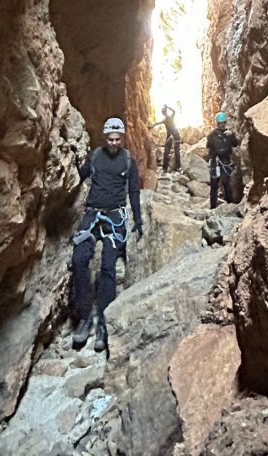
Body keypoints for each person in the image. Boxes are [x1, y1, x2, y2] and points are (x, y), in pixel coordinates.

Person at [69, 117, 143, 352]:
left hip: (115, 218)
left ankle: (103, 321)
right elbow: (78, 177)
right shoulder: (95, 156)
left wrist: (138, 219)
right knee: (79, 260)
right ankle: (84, 317)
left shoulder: (128, 161)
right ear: (104, 138)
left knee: (108, 267)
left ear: (123, 138)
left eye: (117, 139)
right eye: (110, 139)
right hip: (92, 215)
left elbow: (133, 192)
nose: (113, 143)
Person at [206, 110, 240, 209]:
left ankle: (214, 207)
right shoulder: (230, 134)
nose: (222, 125)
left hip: (216, 161)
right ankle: (229, 205)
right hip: (224, 162)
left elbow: (208, 145)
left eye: (222, 123)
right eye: (222, 123)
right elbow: (236, 143)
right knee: (225, 183)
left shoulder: (212, 134)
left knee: (215, 185)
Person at [150, 104, 181, 172]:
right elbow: (174, 111)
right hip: (175, 135)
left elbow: (156, 123)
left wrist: (151, 126)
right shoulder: (170, 117)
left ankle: (165, 168)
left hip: (171, 136)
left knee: (167, 152)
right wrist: (168, 107)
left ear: (163, 113)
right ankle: (177, 167)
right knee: (176, 151)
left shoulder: (166, 119)